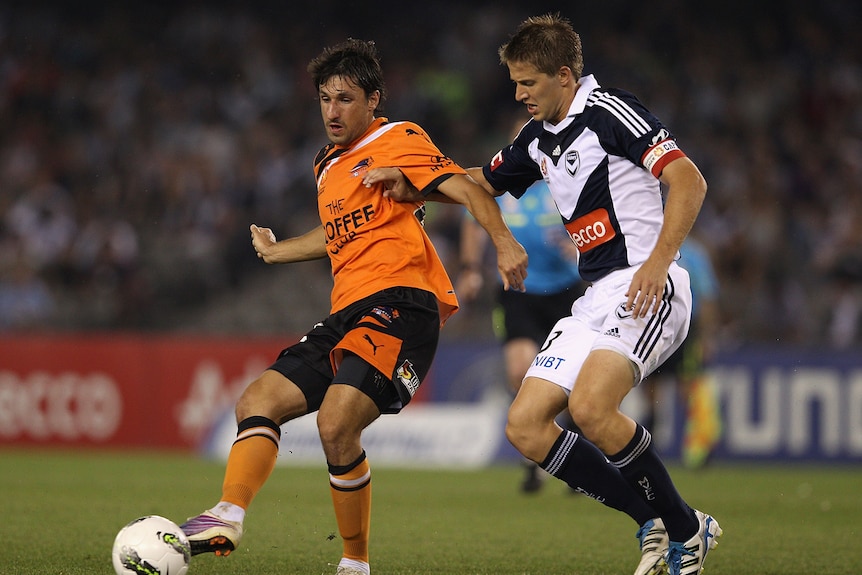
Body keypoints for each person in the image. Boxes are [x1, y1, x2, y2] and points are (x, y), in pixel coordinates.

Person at [364, 14, 722, 575]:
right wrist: (415, 185)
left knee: (590, 408)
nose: (518, 93)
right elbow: (485, 181)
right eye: (514, 82)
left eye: (528, 82)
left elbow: (688, 180)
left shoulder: (609, 113)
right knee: (525, 426)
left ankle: (686, 530)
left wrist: (656, 263)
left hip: (648, 284)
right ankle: (655, 521)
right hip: (595, 297)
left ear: (563, 75)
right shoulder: (537, 139)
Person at [178, 38, 528, 575]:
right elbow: (333, 234)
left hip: (403, 304)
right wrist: (278, 251)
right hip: (347, 310)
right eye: (324, 99)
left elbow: (470, 189)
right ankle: (227, 514)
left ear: (373, 100)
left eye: (344, 99)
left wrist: (503, 243)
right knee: (257, 400)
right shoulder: (326, 166)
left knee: (337, 423)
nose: (332, 111)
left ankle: (354, 563)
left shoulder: (399, 137)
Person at [457, 132, 586, 492]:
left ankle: (572, 452)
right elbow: (473, 219)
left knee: (573, 387)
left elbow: (593, 223)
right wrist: (470, 268)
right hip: (517, 292)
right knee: (520, 371)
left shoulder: (563, 182)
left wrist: (577, 250)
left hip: (566, 293)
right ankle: (535, 460)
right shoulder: (500, 189)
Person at [642, 234, 722, 470]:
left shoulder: (694, 254)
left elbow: (707, 297)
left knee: (687, 389)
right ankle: (648, 445)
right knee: (651, 389)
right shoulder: (650, 247)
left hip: (687, 329)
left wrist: (707, 337)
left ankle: (699, 447)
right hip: (654, 325)